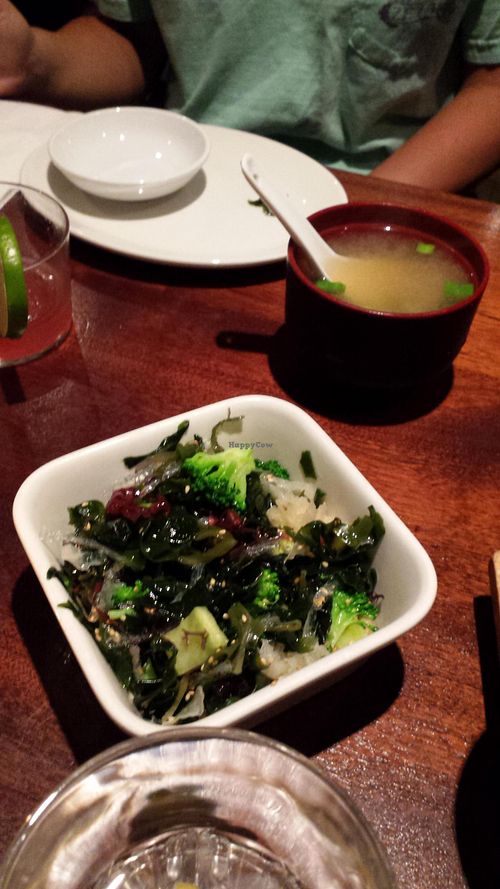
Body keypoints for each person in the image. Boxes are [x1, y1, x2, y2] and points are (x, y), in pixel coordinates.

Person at [1, 0, 500, 193]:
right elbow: (137, 39)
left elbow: (492, 84)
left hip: (388, 190)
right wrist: (33, 60)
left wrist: (363, 209)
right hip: (180, 181)